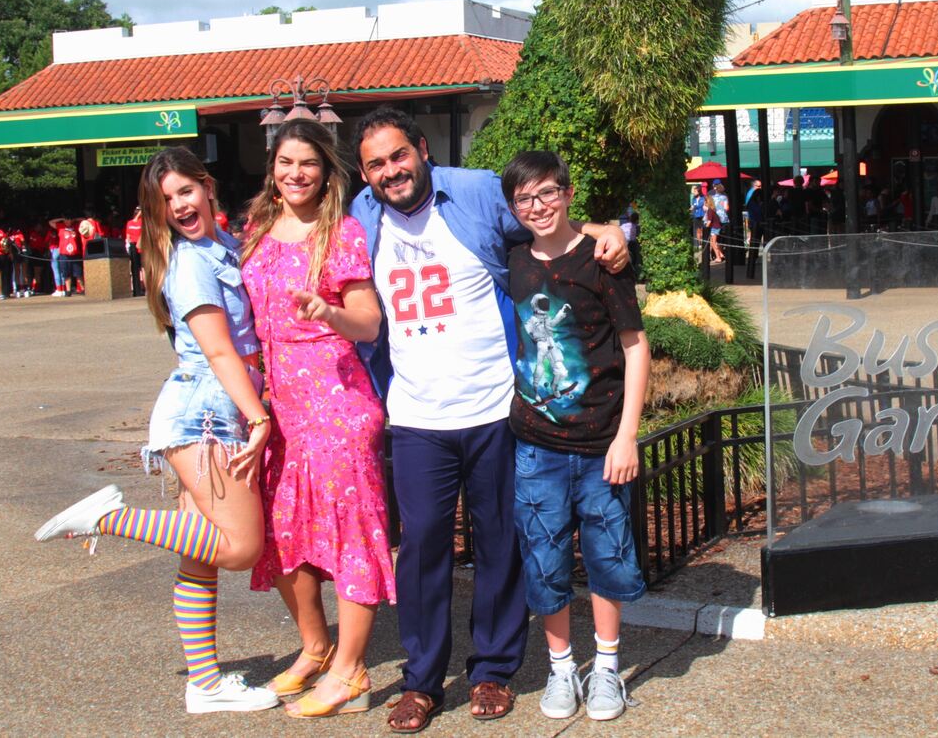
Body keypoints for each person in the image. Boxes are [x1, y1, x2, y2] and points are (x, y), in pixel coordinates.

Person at [348, 107, 627, 734]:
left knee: (501, 538)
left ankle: (493, 671)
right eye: (376, 164)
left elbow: (546, 223)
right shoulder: (361, 218)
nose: (391, 171)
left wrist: (605, 229)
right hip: (416, 413)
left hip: (497, 404)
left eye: (399, 156)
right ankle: (421, 681)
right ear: (365, 175)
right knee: (420, 547)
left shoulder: (473, 191)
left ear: (421, 150)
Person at [34, 146, 278, 715]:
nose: (179, 206)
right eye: (166, 201)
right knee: (241, 547)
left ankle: (204, 684)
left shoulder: (223, 246)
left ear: (207, 185)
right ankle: (106, 517)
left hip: (212, 409)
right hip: (209, 414)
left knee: (201, 558)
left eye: (185, 191)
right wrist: (260, 416)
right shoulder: (192, 262)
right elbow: (218, 348)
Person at [240, 120, 394, 718]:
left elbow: (369, 322)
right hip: (279, 409)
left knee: (352, 536)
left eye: (308, 163)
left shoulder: (343, 233)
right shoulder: (254, 231)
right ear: (272, 170)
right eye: (285, 163)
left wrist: (328, 310)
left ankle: (352, 670)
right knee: (284, 538)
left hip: (336, 404)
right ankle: (316, 646)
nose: (295, 173)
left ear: (327, 172)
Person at [500, 151, 649, 722]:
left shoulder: (601, 261)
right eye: (524, 199)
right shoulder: (513, 259)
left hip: (600, 443)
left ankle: (606, 667)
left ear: (566, 192)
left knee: (608, 555)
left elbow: (635, 347)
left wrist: (627, 436)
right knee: (544, 559)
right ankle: (562, 669)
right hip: (536, 441)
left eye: (547, 194)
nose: (537, 207)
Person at [125, 205, 145, 296]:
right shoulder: (131, 223)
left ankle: (143, 287)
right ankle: (139, 288)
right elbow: (128, 236)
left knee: (142, 268)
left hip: (140, 246)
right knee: (137, 268)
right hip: (135, 246)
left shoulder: (141, 222)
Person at [704, 195, 724, 263]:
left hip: (714, 228)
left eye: (705, 201)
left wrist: (705, 228)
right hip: (716, 227)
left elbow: (709, 221)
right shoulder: (713, 209)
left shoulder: (710, 210)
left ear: (707, 202)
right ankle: (721, 254)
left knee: (713, 243)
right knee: (714, 242)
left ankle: (718, 257)